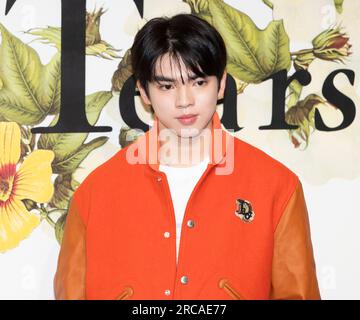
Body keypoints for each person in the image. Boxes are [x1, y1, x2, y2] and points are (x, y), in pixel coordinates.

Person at [54, 13, 321, 300]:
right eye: (167, 86)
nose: (184, 101)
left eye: (198, 83)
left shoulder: (276, 187)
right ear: (144, 91)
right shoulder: (96, 193)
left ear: (220, 85)